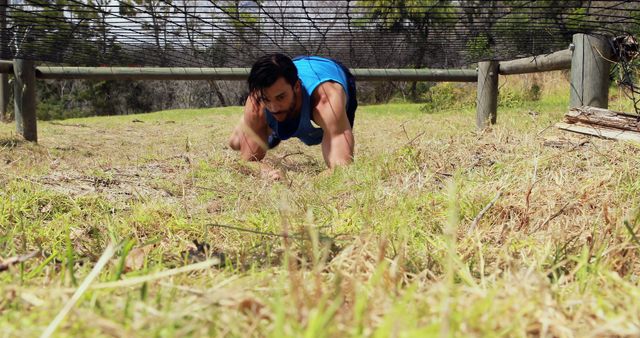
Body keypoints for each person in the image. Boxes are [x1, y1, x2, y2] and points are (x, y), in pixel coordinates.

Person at [228, 53, 357, 177]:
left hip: (330, 72)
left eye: (280, 97)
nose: (274, 107)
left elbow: (342, 167)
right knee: (235, 143)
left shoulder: (326, 100)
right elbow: (249, 162)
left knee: (338, 133)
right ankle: (253, 127)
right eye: (266, 99)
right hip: (296, 74)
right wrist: (267, 173)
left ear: (296, 86)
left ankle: (259, 128)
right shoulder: (256, 102)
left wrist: (305, 186)